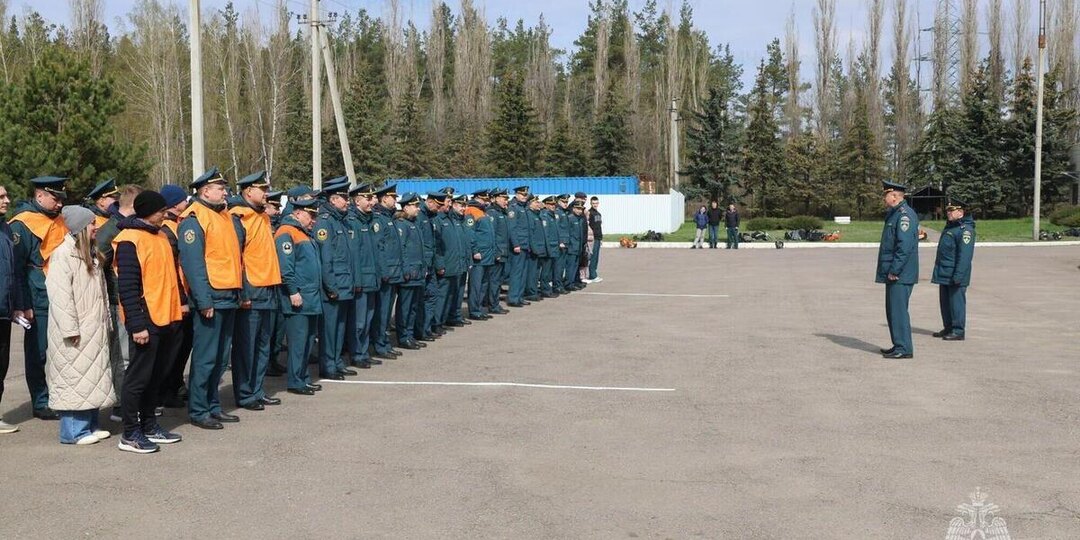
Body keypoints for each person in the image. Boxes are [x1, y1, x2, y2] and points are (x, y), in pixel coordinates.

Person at [114, 191, 185, 453]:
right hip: (146, 319)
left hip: (166, 317)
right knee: (138, 379)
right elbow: (128, 288)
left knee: (156, 377)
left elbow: (171, 275)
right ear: (147, 212)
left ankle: (149, 425)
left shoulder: (161, 235)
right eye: (161, 211)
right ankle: (130, 433)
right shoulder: (129, 240)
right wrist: (137, 325)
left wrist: (181, 303)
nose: (165, 214)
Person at [178, 167, 244, 430]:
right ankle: (198, 409)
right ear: (205, 191)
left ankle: (213, 406)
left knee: (220, 358)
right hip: (212, 298)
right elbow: (193, 265)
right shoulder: (194, 219)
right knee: (205, 358)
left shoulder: (223, 215)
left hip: (228, 294)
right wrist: (204, 301)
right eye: (220, 188)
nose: (225, 192)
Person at [44, 206, 115, 445]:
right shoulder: (63, 255)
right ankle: (73, 431)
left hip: (93, 325)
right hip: (77, 328)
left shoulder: (90, 253)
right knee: (74, 377)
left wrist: (106, 321)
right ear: (81, 227)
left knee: (91, 376)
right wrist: (70, 329)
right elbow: (60, 296)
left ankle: (90, 425)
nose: (97, 227)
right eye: (92, 223)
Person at [9, 176, 70, 420]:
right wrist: (24, 304)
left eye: (61, 199)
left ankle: (61, 396)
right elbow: (17, 269)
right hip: (38, 296)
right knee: (39, 352)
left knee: (63, 350)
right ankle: (41, 401)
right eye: (55, 198)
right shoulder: (22, 224)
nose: (60, 204)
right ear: (40, 196)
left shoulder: (60, 219)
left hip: (62, 292)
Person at [229, 171, 283, 411]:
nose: (267, 194)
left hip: (268, 288)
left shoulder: (261, 216)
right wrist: (243, 292)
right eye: (263, 189)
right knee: (246, 347)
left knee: (263, 344)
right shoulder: (239, 216)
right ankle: (244, 393)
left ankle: (257, 390)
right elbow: (237, 257)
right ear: (249, 191)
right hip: (252, 290)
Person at [97, 184, 143, 423]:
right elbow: (95, 264)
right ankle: (121, 406)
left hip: (131, 299)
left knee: (133, 356)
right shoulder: (110, 230)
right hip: (118, 300)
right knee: (123, 356)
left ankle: (133, 403)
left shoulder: (128, 226)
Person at [274, 198, 324, 395]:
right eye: (311, 215)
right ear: (298, 213)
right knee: (298, 343)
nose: (314, 220)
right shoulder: (286, 232)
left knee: (308, 341)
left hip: (310, 297)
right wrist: (293, 291)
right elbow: (286, 267)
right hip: (299, 298)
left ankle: (303, 378)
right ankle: (296, 381)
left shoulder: (303, 233)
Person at [313, 179, 357, 380]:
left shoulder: (341, 220)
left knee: (340, 328)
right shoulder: (325, 222)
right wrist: (330, 286)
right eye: (344, 198)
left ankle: (337, 361)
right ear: (333, 199)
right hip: (334, 286)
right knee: (329, 330)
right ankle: (328, 365)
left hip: (344, 283)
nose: (347, 202)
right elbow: (326, 258)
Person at [876, 180, 919, 359]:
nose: (884, 198)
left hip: (900, 274)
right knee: (893, 311)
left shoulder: (904, 216)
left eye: (886, 195)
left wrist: (895, 270)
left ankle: (904, 348)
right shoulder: (895, 214)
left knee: (898, 311)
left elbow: (904, 246)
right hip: (895, 272)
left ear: (894, 196)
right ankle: (898, 344)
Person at [157, 185, 192, 409]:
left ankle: (175, 385)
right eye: (182, 200)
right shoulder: (167, 230)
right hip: (177, 298)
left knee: (183, 346)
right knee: (174, 348)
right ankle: (165, 391)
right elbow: (172, 268)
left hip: (184, 293)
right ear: (173, 204)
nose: (186, 203)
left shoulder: (177, 225)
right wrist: (181, 299)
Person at [345, 183, 380, 369]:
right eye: (368, 198)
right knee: (358, 322)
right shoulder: (353, 221)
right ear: (357, 201)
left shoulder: (370, 220)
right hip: (361, 280)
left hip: (371, 278)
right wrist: (357, 281)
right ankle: (356, 354)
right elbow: (354, 256)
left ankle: (364, 352)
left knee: (368, 320)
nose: (371, 202)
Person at [931, 197, 975, 341]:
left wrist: (959, 275)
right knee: (945, 303)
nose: (948, 213)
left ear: (961, 213)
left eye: (952, 210)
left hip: (955, 273)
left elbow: (965, 256)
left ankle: (958, 330)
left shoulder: (965, 230)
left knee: (956, 303)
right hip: (945, 271)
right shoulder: (951, 227)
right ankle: (948, 327)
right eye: (948, 210)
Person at [370, 184, 403, 361]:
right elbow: (379, 248)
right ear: (384, 198)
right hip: (386, 274)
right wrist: (384, 272)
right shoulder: (378, 219)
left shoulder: (389, 217)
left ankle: (384, 342)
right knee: (382, 313)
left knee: (386, 311)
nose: (395, 200)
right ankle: (380, 344)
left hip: (393, 272)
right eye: (393, 197)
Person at [395, 193, 427, 349]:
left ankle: (410, 334)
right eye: (415, 206)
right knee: (405, 307)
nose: (418, 209)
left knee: (413, 307)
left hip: (418, 272)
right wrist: (406, 269)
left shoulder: (414, 224)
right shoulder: (402, 224)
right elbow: (401, 249)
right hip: (409, 273)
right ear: (406, 207)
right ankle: (403, 337)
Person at [0, 184, 16, 433]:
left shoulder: (5, 228)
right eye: (1, 196)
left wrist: (19, 304)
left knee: (2, 364)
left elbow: (14, 270)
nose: (7, 200)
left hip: (4, 309)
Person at [464, 190, 494, 319]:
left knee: (484, 283)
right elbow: (470, 233)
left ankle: (480, 308)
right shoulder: (471, 211)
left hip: (487, 254)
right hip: (479, 254)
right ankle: (474, 310)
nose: (485, 201)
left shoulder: (483, 212)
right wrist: (475, 250)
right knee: (476, 284)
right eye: (483, 199)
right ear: (476, 198)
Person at [416, 192, 441, 340]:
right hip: (423, 264)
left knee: (432, 295)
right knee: (422, 299)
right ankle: (420, 330)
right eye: (437, 205)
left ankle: (426, 328)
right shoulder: (420, 216)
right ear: (430, 202)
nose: (439, 208)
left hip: (430, 263)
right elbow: (418, 244)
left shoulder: (430, 217)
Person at [486, 189, 511, 312]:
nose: (506, 201)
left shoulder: (502, 213)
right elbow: (492, 235)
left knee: (498, 280)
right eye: (503, 198)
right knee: (494, 281)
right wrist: (496, 252)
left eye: (506, 199)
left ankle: (493, 303)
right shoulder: (492, 213)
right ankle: (493, 305)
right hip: (498, 253)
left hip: (503, 251)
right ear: (495, 199)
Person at [506, 186, 531, 307]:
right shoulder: (513, 208)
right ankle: (513, 298)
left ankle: (520, 297)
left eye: (526, 195)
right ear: (516, 194)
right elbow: (512, 228)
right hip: (518, 245)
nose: (524, 197)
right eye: (522, 194)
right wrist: (515, 244)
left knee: (523, 273)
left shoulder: (524, 207)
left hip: (525, 244)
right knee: (516, 273)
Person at [524, 195, 547, 300]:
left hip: (538, 248)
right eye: (536, 202)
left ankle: (533, 290)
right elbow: (531, 234)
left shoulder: (536, 214)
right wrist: (534, 248)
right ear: (530, 204)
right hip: (534, 249)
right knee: (532, 272)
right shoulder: (529, 215)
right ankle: (530, 292)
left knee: (535, 272)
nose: (538, 204)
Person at [552, 194, 572, 294]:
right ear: (559, 201)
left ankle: (559, 284)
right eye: (563, 202)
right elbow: (556, 229)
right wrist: (559, 241)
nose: (565, 204)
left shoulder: (564, 212)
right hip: (561, 244)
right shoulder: (557, 212)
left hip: (566, 242)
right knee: (558, 267)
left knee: (562, 266)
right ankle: (557, 286)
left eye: (567, 202)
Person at [586, 196, 603, 283]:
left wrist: (601, 238)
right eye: (593, 203)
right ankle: (592, 275)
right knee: (592, 257)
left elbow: (599, 227)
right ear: (591, 203)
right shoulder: (589, 213)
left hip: (598, 238)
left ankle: (594, 274)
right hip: (593, 238)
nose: (595, 205)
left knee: (596, 257)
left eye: (596, 203)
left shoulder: (598, 214)